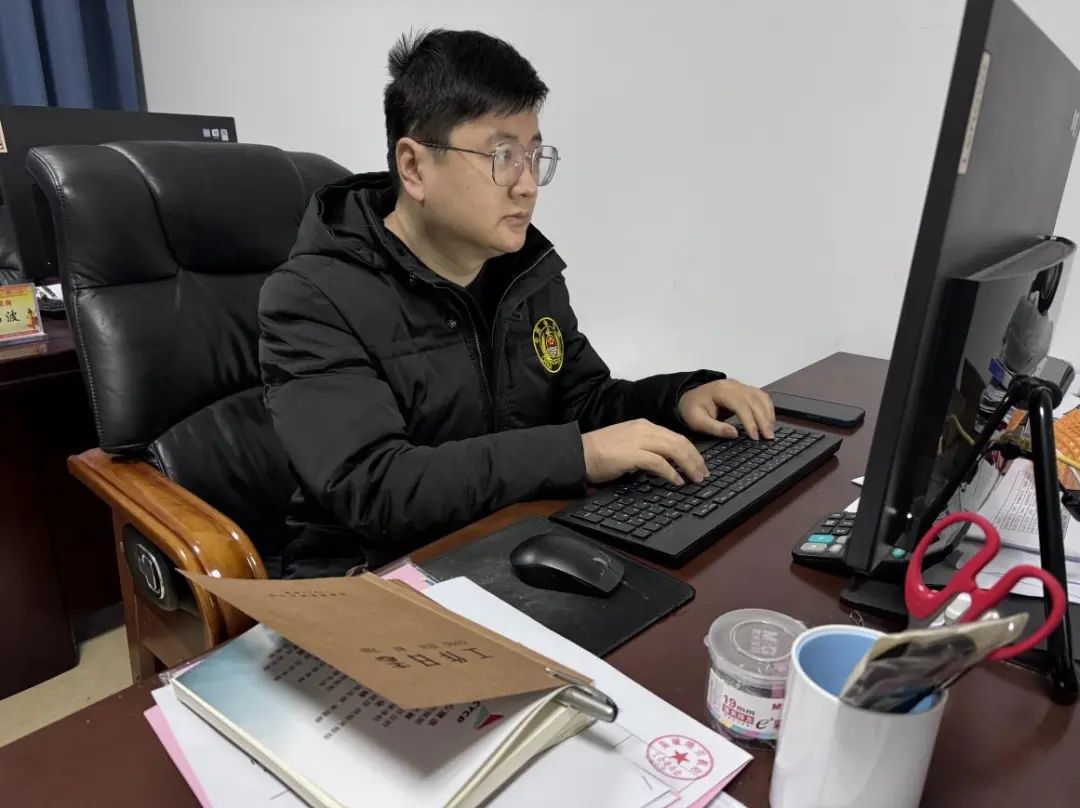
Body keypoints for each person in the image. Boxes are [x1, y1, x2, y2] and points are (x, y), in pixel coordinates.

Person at [258, 29, 776, 578]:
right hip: (370, 576)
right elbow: (375, 486)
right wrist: (576, 457)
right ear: (413, 167)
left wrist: (679, 397)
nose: (528, 185)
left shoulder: (523, 272)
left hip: (507, 540)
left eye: (533, 156)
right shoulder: (313, 298)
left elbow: (582, 402)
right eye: (502, 156)